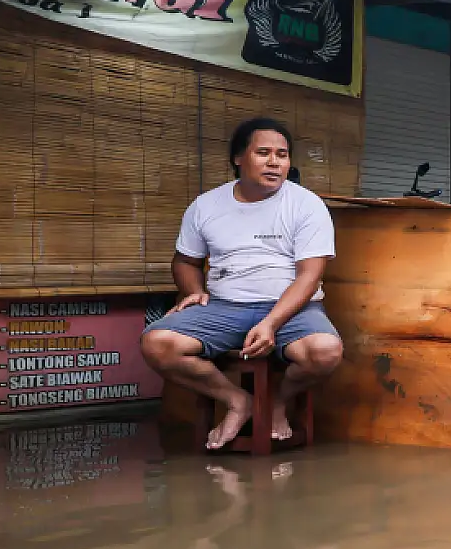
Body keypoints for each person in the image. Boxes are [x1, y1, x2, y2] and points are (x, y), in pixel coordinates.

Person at [141, 117, 344, 450]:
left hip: (292, 309)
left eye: (282, 154)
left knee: (325, 352)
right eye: (263, 152)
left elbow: (310, 274)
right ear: (238, 158)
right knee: (157, 344)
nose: (274, 162)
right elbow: (185, 261)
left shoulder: (307, 205)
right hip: (224, 307)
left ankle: (277, 401)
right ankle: (237, 401)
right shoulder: (206, 206)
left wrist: (271, 323)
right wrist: (194, 291)